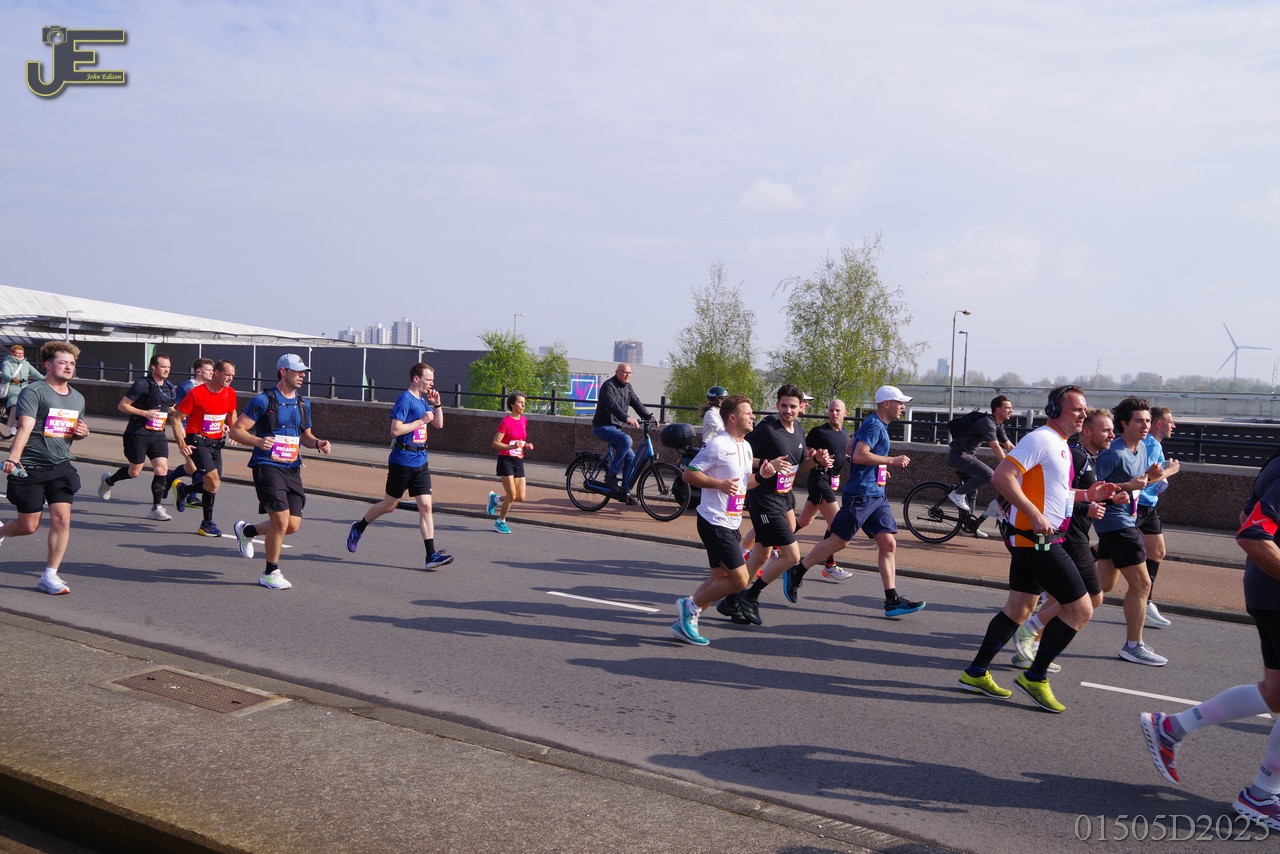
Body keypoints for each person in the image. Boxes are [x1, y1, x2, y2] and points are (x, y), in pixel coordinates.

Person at [1138, 446, 1280, 831]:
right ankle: (1262, 794)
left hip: (1267, 593)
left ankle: (1172, 728)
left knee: (1275, 693)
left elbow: (1245, 516)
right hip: (1275, 596)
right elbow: (1252, 533)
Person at [957, 386, 1120, 713]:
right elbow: (1003, 476)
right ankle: (1035, 676)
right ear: (1053, 410)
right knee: (1081, 609)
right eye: (1076, 409)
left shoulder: (1060, 445)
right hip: (1036, 539)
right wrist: (1034, 514)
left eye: (1084, 409)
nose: (1083, 415)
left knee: (1018, 609)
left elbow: (1054, 493)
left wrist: (1087, 495)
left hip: (1033, 537)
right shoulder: (1041, 439)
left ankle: (975, 673)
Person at [778, 385, 926, 619]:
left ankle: (892, 600)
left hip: (877, 495)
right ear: (886, 404)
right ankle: (797, 571)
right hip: (862, 495)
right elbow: (858, 454)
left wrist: (878, 467)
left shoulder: (875, 423)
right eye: (899, 403)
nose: (902, 407)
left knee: (888, 543)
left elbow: (849, 447)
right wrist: (890, 460)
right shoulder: (875, 425)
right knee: (839, 541)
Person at [1012, 408, 1122, 670]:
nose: (1112, 435)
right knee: (1090, 597)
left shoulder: (1088, 457)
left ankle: (1030, 647)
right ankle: (1030, 632)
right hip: (1069, 535)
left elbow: (1076, 494)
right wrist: (1086, 508)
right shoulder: (1076, 455)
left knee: (1066, 596)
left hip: (1074, 533)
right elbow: (1058, 494)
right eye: (1106, 430)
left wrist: (1109, 499)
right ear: (1088, 432)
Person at [717, 384, 830, 627]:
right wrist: (767, 464)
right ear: (777, 405)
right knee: (792, 555)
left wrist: (815, 460)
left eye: (793, 406)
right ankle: (751, 596)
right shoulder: (768, 430)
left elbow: (798, 466)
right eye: (784, 405)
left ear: (801, 407)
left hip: (782, 499)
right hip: (763, 500)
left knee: (762, 554)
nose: (788, 410)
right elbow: (743, 454)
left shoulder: (798, 431)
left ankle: (731, 600)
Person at [229, 354, 332, 590]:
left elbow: (305, 436)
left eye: (304, 372)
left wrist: (318, 443)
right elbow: (236, 431)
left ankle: (247, 531)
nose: (302, 375)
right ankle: (270, 572)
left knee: (292, 525)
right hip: (267, 465)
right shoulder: (263, 400)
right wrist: (257, 441)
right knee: (281, 520)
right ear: (283, 371)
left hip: (292, 467)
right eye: (297, 371)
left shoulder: (303, 403)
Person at [0, 341, 91, 595]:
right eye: (63, 362)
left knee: (62, 519)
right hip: (30, 467)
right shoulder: (34, 392)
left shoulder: (78, 398)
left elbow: (74, 429)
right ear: (48, 365)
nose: (69, 367)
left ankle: (50, 575)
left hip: (61, 467)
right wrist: (14, 458)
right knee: (29, 526)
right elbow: (26, 426)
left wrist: (83, 432)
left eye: (72, 363)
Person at [344, 362, 451, 569]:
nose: (432, 383)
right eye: (428, 379)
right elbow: (395, 430)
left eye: (432, 380)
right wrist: (421, 421)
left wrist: (437, 405)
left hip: (421, 460)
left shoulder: (423, 400)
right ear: (416, 379)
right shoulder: (405, 399)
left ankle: (431, 555)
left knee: (426, 506)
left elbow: (438, 424)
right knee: (389, 506)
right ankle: (359, 526)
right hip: (402, 460)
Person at [670, 395, 758, 645]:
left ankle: (684, 623)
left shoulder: (746, 446)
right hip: (714, 521)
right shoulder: (718, 444)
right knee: (740, 579)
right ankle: (690, 606)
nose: (753, 416)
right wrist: (718, 484)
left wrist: (763, 476)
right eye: (748, 412)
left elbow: (744, 484)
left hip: (732, 521)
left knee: (718, 579)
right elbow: (689, 474)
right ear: (732, 418)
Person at [1094, 396, 1168, 666]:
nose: (1145, 425)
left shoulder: (1143, 449)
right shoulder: (1112, 453)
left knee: (1101, 586)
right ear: (1124, 424)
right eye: (1139, 421)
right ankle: (1133, 646)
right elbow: (1092, 488)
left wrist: (1153, 474)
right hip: (1116, 524)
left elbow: (1139, 482)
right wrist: (1126, 487)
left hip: (1128, 520)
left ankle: (1040, 619)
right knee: (1142, 584)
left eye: (1147, 420)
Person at [98, 353, 177, 521]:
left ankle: (156, 508)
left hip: (158, 434)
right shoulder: (142, 384)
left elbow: (168, 407)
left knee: (162, 468)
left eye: (169, 367)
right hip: (138, 433)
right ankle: (109, 481)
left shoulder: (168, 387)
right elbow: (123, 406)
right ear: (153, 367)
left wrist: (180, 413)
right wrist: (145, 413)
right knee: (134, 472)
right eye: (163, 366)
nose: (167, 370)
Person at [170, 360, 239, 538]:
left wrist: (234, 430)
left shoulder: (230, 393)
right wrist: (182, 444)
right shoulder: (197, 393)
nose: (230, 378)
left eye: (232, 375)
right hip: (197, 442)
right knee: (213, 482)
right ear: (216, 373)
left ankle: (184, 490)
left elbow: (232, 412)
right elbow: (176, 418)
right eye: (227, 375)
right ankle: (206, 524)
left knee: (213, 485)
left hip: (216, 444)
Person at [795, 398, 853, 581]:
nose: (834, 413)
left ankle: (773, 543)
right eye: (831, 410)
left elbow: (843, 453)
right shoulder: (818, 432)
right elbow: (803, 455)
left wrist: (852, 460)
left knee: (804, 520)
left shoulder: (845, 433)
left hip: (830, 481)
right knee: (836, 524)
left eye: (837, 410)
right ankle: (829, 565)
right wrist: (812, 455)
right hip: (819, 479)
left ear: (845, 413)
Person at [946, 395, 1015, 538]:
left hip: (967, 456)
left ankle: (968, 527)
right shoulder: (987, 422)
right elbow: (995, 446)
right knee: (989, 474)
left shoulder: (998, 425)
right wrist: (1007, 465)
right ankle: (957, 493)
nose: (1011, 411)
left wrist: (1023, 462)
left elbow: (1008, 446)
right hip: (959, 455)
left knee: (972, 493)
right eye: (1008, 408)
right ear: (998, 409)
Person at [1139, 406, 1181, 628]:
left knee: (1157, 551)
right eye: (1170, 421)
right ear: (1158, 424)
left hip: (1148, 507)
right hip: (1138, 506)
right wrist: (1171, 471)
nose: (1173, 425)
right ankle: (1058, 584)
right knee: (1107, 553)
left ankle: (1146, 603)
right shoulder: (1151, 445)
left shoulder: (1153, 444)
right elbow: (1144, 479)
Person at [591, 363, 653, 500]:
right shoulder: (608, 386)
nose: (628, 375)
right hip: (602, 426)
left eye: (630, 373)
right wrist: (626, 418)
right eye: (625, 372)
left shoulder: (628, 388)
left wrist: (649, 417)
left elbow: (636, 403)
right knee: (626, 440)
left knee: (631, 457)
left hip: (615, 428)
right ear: (617, 372)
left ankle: (625, 492)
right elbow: (612, 405)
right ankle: (611, 475)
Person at [163, 358, 215, 507]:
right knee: (194, 466)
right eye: (209, 370)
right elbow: (170, 406)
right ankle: (187, 493)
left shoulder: (210, 388)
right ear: (199, 371)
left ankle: (173, 483)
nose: (212, 372)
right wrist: (182, 415)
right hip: (186, 429)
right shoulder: (186, 387)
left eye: (213, 370)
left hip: (203, 430)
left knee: (194, 466)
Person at [487, 391, 532, 535]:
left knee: (520, 497)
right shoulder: (506, 422)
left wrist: (525, 445)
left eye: (524, 403)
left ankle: (495, 499)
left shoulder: (523, 420)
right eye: (520, 402)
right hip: (505, 460)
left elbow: (519, 440)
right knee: (511, 495)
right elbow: (495, 443)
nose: (523, 405)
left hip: (518, 460)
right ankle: (500, 522)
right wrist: (511, 446)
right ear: (512, 404)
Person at [1, 344, 44, 440]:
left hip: (25, 387)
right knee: (15, 401)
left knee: (33, 401)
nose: (20, 355)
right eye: (18, 353)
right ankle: (12, 425)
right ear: (12, 353)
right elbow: (5, 374)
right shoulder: (7, 363)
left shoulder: (26, 363)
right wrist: (13, 379)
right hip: (12, 386)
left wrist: (46, 380)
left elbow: (36, 374)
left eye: (22, 353)